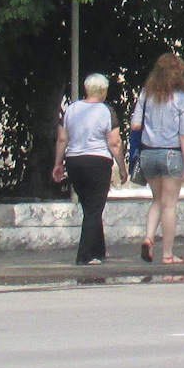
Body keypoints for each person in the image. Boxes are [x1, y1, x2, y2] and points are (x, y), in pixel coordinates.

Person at [52, 73, 127, 265]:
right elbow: (114, 143)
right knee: (94, 208)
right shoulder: (106, 111)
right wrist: (122, 167)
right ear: (103, 91)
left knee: (90, 207)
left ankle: (99, 250)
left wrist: (58, 163)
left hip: (74, 162)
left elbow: (62, 139)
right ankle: (84, 256)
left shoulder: (70, 109)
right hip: (98, 162)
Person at [131, 52, 184, 264]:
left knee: (157, 200)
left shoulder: (145, 96)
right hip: (171, 154)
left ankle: (149, 238)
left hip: (148, 154)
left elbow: (135, 125)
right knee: (169, 205)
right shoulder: (182, 101)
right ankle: (167, 254)